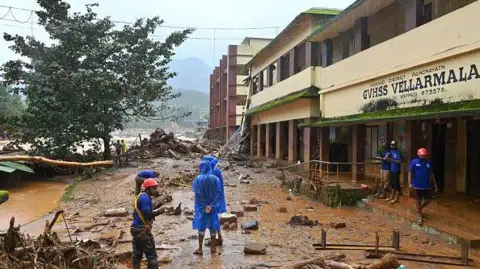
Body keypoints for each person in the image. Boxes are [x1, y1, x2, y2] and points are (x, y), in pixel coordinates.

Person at [131, 178, 166, 269]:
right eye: (153, 188)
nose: (155, 191)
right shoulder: (145, 198)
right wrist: (159, 211)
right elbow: (147, 215)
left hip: (137, 229)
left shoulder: (142, 196)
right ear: (147, 188)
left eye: (155, 188)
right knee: (152, 256)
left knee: (137, 253)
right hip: (142, 230)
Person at [192, 160, 221, 255]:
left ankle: (200, 249)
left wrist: (205, 205)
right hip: (213, 208)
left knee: (201, 227)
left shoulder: (197, 179)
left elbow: (198, 194)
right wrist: (211, 205)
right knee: (213, 226)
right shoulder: (216, 179)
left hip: (201, 208)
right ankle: (213, 247)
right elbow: (218, 193)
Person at [409, 148, 438, 225]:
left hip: (426, 185)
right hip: (417, 185)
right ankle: (419, 216)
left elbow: (431, 174)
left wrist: (435, 184)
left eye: (424, 155)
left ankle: (419, 209)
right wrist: (410, 183)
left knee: (429, 199)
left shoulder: (428, 163)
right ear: (418, 155)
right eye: (421, 155)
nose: (423, 157)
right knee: (418, 200)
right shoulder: (414, 162)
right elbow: (410, 172)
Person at [202, 155, 226, 245]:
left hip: (212, 198)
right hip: (216, 197)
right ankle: (219, 236)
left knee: (213, 217)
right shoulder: (215, 170)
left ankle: (216, 239)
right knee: (214, 216)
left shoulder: (212, 172)